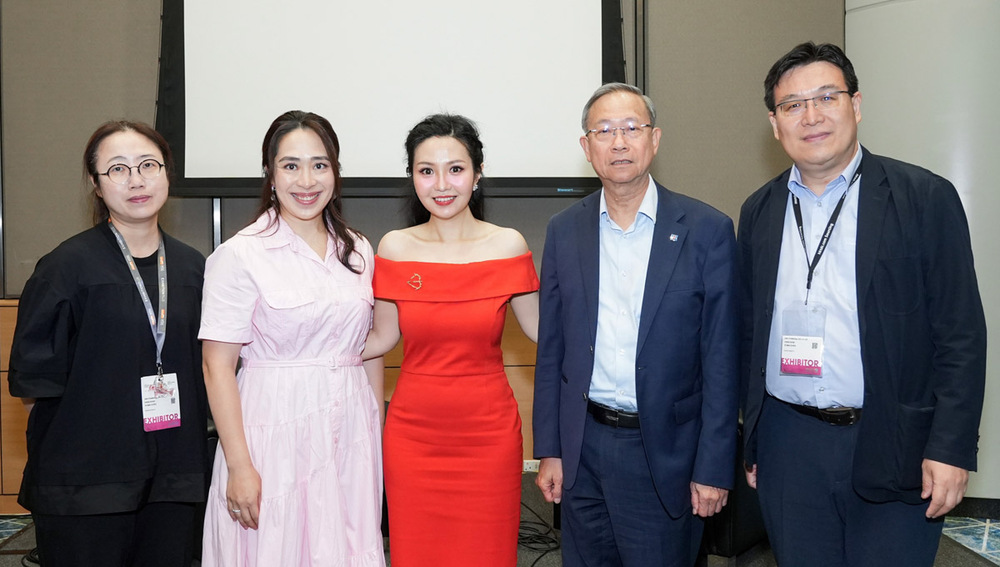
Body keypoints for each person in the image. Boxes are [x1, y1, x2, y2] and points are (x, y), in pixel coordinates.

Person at [739, 42, 987, 566]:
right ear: (775, 124)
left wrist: (950, 447)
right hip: (789, 444)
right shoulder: (758, 212)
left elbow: (961, 336)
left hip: (894, 442)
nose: (811, 116)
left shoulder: (923, 198)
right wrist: (755, 439)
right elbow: (747, 332)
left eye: (826, 97)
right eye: (792, 105)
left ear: (855, 104)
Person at [532, 83, 740, 566]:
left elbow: (722, 359)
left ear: (655, 139)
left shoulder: (707, 230)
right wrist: (551, 449)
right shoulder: (564, 229)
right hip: (583, 449)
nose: (619, 142)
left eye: (631, 128)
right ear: (586, 147)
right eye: (604, 131)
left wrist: (713, 466)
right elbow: (553, 351)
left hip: (664, 453)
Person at [8, 120, 208, 566]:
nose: (136, 180)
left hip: (173, 480)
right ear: (97, 186)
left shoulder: (194, 268)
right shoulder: (64, 267)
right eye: (118, 169)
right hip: (85, 485)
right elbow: (35, 385)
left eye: (148, 165)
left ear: (167, 173)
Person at [199, 111, 385, 566]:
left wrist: (374, 434)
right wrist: (239, 465)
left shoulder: (358, 249)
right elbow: (216, 365)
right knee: (277, 548)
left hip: (350, 430)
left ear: (336, 172)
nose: (306, 180)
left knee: (346, 547)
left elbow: (366, 348)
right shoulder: (240, 254)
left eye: (320, 165)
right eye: (290, 165)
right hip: (272, 430)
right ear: (270, 173)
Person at [363, 113, 539, 565]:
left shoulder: (508, 245)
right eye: (427, 170)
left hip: (489, 438)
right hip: (413, 440)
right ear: (412, 177)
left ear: (477, 175)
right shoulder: (394, 248)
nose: (441, 184)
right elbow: (381, 338)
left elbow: (544, 332)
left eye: (455, 169)